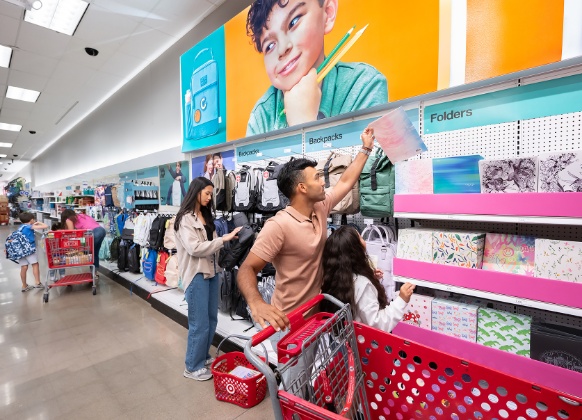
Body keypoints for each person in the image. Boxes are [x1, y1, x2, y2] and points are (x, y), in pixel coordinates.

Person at [237, 127, 376, 342]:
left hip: (317, 315)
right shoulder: (278, 226)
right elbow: (247, 268)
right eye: (317, 177)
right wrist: (256, 303)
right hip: (289, 323)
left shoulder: (320, 206)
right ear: (302, 187)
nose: (323, 182)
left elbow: (346, 182)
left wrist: (366, 148)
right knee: (294, 376)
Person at [245, 0, 388, 136]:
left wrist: (303, 124)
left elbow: (361, 161)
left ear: (327, 13)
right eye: (269, 46)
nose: (282, 49)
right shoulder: (262, 115)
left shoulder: (364, 85)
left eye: (293, 22)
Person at [175, 177, 242, 381]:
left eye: (211, 194)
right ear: (196, 192)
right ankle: (192, 366)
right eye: (207, 193)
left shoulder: (205, 217)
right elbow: (194, 248)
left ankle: (203, 357)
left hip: (213, 272)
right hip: (196, 275)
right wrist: (224, 239)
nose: (209, 197)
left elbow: (211, 246)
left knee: (211, 320)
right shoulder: (185, 219)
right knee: (199, 323)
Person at [321, 226, 415, 331]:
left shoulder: (334, 278)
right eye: (361, 238)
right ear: (356, 249)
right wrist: (402, 299)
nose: (364, 240)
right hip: (365, 344)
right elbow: (379, 323)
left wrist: (371, 279)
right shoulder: (362, 284)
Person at [60, 210, 106, 276]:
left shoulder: (68, 219)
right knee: (95, 252)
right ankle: (94, 273)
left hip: (94, 233)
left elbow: (72, 233)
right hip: (102, 230)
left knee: (88, 252)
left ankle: (93, 273)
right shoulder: (82, 215)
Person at [17, 212, 48, 292]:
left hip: (21, 250)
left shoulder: (20, 227)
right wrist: (38, 222)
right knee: (35, 264)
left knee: (24, 267)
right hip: (29, 249)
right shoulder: (29, 226)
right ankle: (37, 282)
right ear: (31, 220)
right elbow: (46, 226)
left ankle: (24, 286)